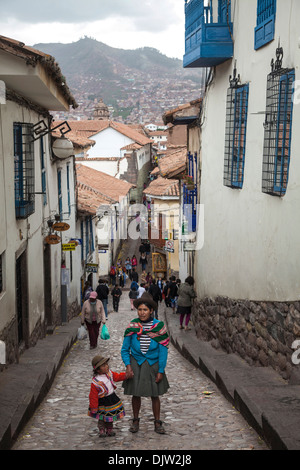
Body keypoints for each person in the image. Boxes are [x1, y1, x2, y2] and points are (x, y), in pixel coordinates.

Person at [121, 293, 170, 434]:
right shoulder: (133, 326)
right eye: (140, 310)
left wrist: (161, 370)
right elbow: (125, 349)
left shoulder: (159, 327)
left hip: (153, 363)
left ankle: (157, 422)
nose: (142, 313)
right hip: (136, 362)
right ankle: (135, 420)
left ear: (151, 311)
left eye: (145, 310)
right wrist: (128, 366)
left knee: (155, 394)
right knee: (135, 394)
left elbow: (163, 351)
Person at [88, 356, 127, 437]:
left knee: (110, 416)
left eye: (106, 364)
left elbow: (117, 376)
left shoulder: (109, 373)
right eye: (104, 365)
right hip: (102, 402)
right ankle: (101, 429)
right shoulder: (96, 382)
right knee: (102, 417)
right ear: (98, 370)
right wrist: (93, 407)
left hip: (111, 399)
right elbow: (93, 396)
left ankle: (109, 429)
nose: (106, 366)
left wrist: (126, 375)